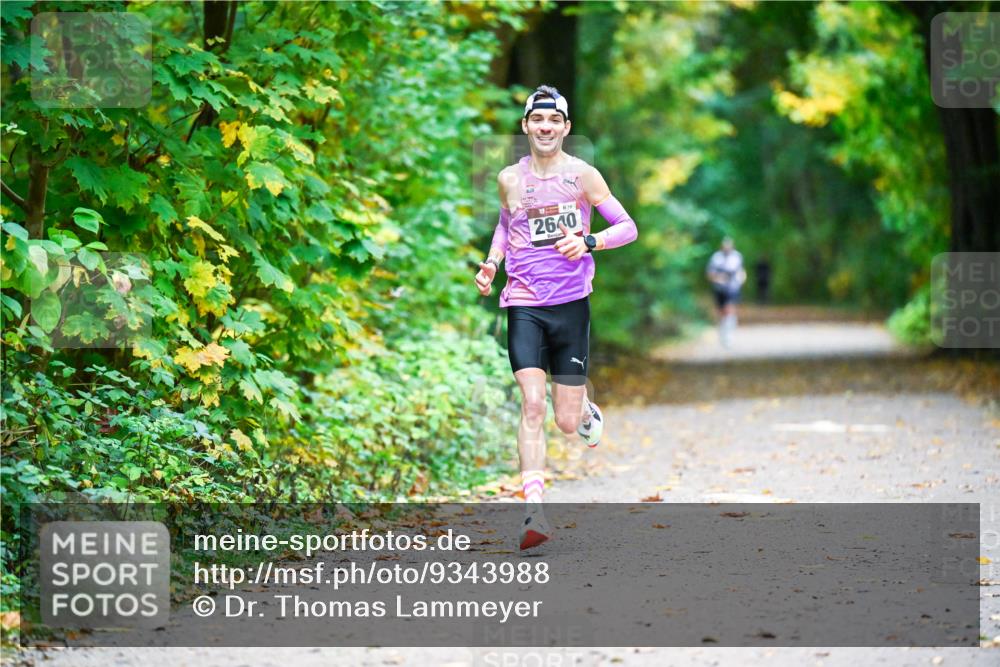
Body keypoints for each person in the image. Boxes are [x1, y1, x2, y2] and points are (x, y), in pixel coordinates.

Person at [474, 85, 638, 550]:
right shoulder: (509, 178)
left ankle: (584, 408)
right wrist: (492, 263)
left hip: (570, 304)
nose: (545, 128)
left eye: (554, 121)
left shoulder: (584, 176)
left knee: (566, 421)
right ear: (525, 126)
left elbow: (627, 227)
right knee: (530, 403)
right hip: (523, 302)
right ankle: (533, 511)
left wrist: (590, 241)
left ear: (565, 128)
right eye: (537, 120)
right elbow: (506, 226)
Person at [706, 236, 746, 348]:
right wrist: (719, 278)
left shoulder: (737, 257)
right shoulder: (716, 258)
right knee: (721, 312)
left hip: (733, 288)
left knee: (730, 309)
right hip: (719, 288)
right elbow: (710, 274)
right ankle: (722, 332)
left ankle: (729, 335)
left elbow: (741, 271)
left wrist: (741, 280)